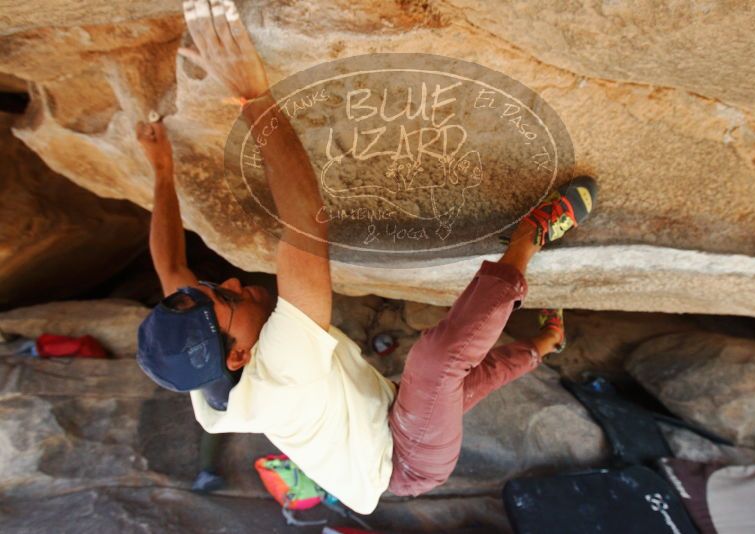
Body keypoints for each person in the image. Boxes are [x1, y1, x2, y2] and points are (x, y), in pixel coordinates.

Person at [136, 0, 598, 515]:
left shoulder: (204, 375)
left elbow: (171, 267)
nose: (234, 282)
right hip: (407, 460)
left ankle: (547, 340)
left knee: (462, 382)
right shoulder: (281, 376)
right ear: (238, 356)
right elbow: (308, 224)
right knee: (437, 363)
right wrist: (254, 98)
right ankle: (529, 237)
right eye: (226, 297)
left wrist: (160, 167)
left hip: (380, 418)